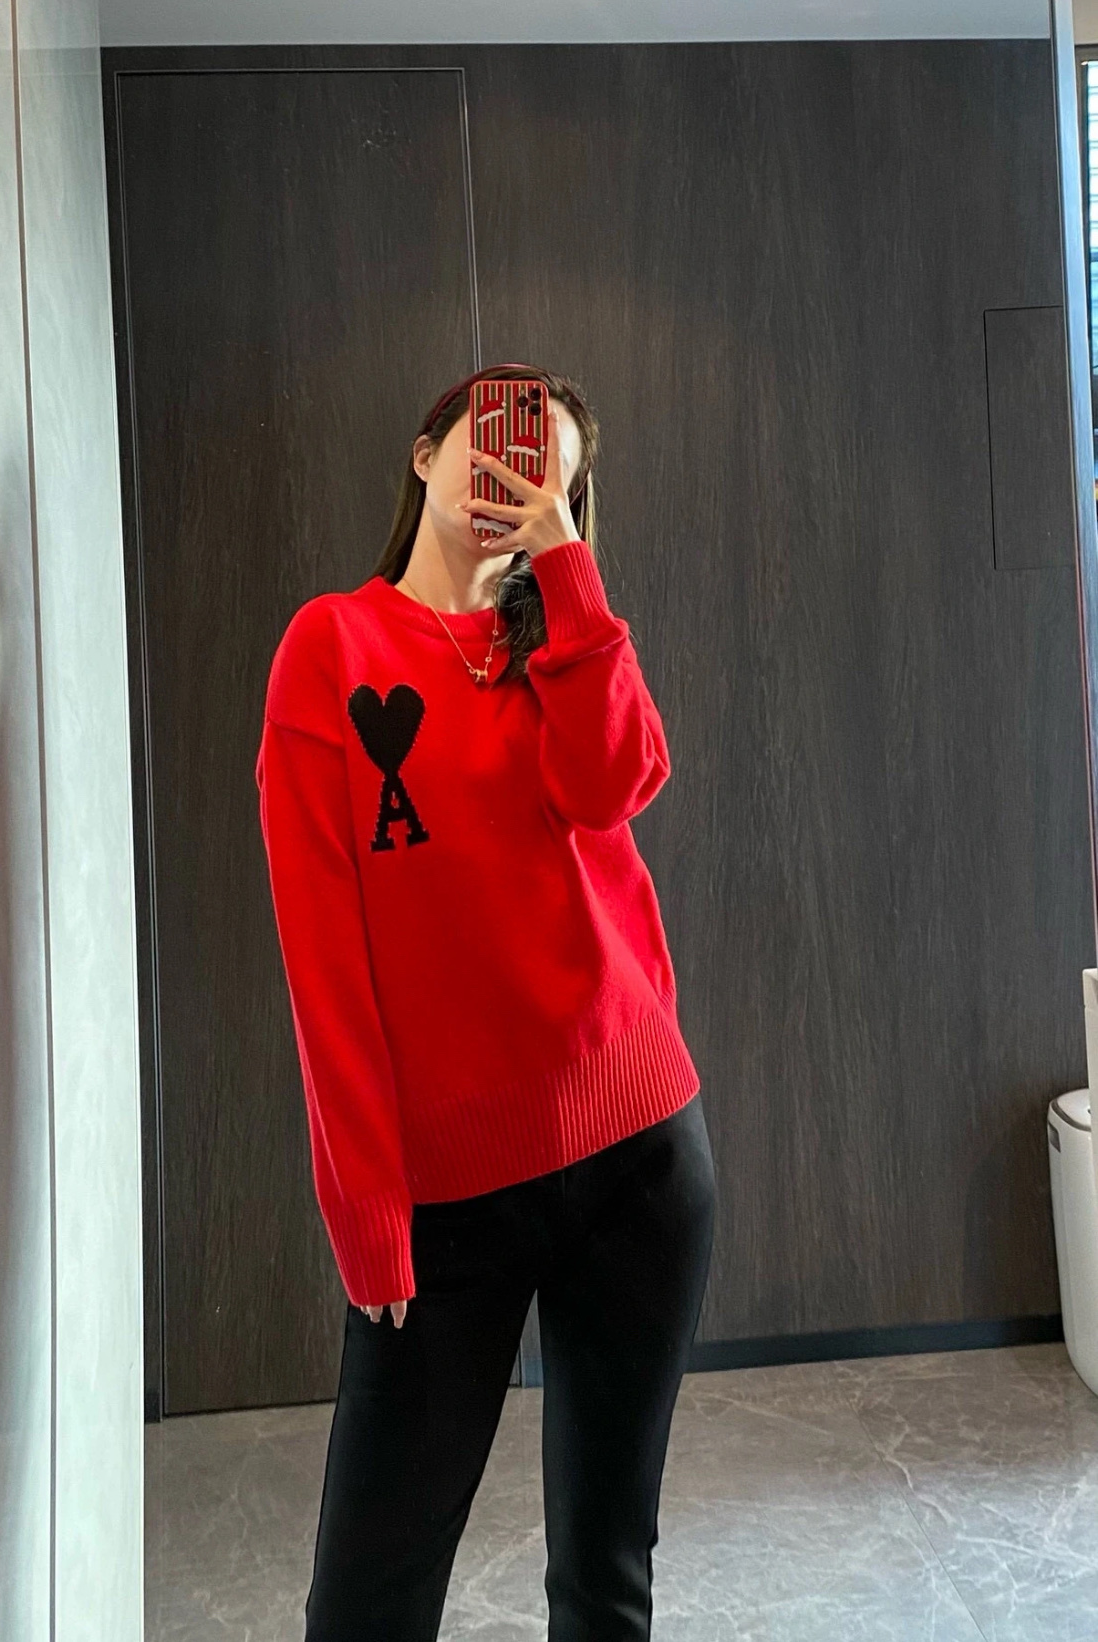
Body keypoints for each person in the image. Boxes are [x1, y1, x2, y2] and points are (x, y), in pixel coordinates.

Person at [254, 362, 717, 1641]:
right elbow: (324, 963)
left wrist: (566, 573)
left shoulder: (559, 646)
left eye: (546, 461)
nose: (511, 469)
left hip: (638, 1162)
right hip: (446, 1205)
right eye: (493, 436)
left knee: (606, 1583)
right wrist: (365, 1208)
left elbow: (615, 782)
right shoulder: (329, 649)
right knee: (368, 1605)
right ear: (425, 454)